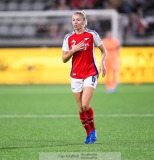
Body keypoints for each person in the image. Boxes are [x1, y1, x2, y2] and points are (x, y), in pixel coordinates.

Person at [62, 10, 107, 144]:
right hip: (76, 75)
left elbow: (104, 51)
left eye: (78, 20)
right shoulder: (68, 38)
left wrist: (102, 62)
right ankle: (88, 134)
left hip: (90, 73)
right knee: (80, 108)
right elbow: (64, 59)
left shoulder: (91, 34)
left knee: (85, 104)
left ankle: (93, 131)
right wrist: (73, 50)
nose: (75, 22)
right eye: (73, 20)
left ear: (84, 21)